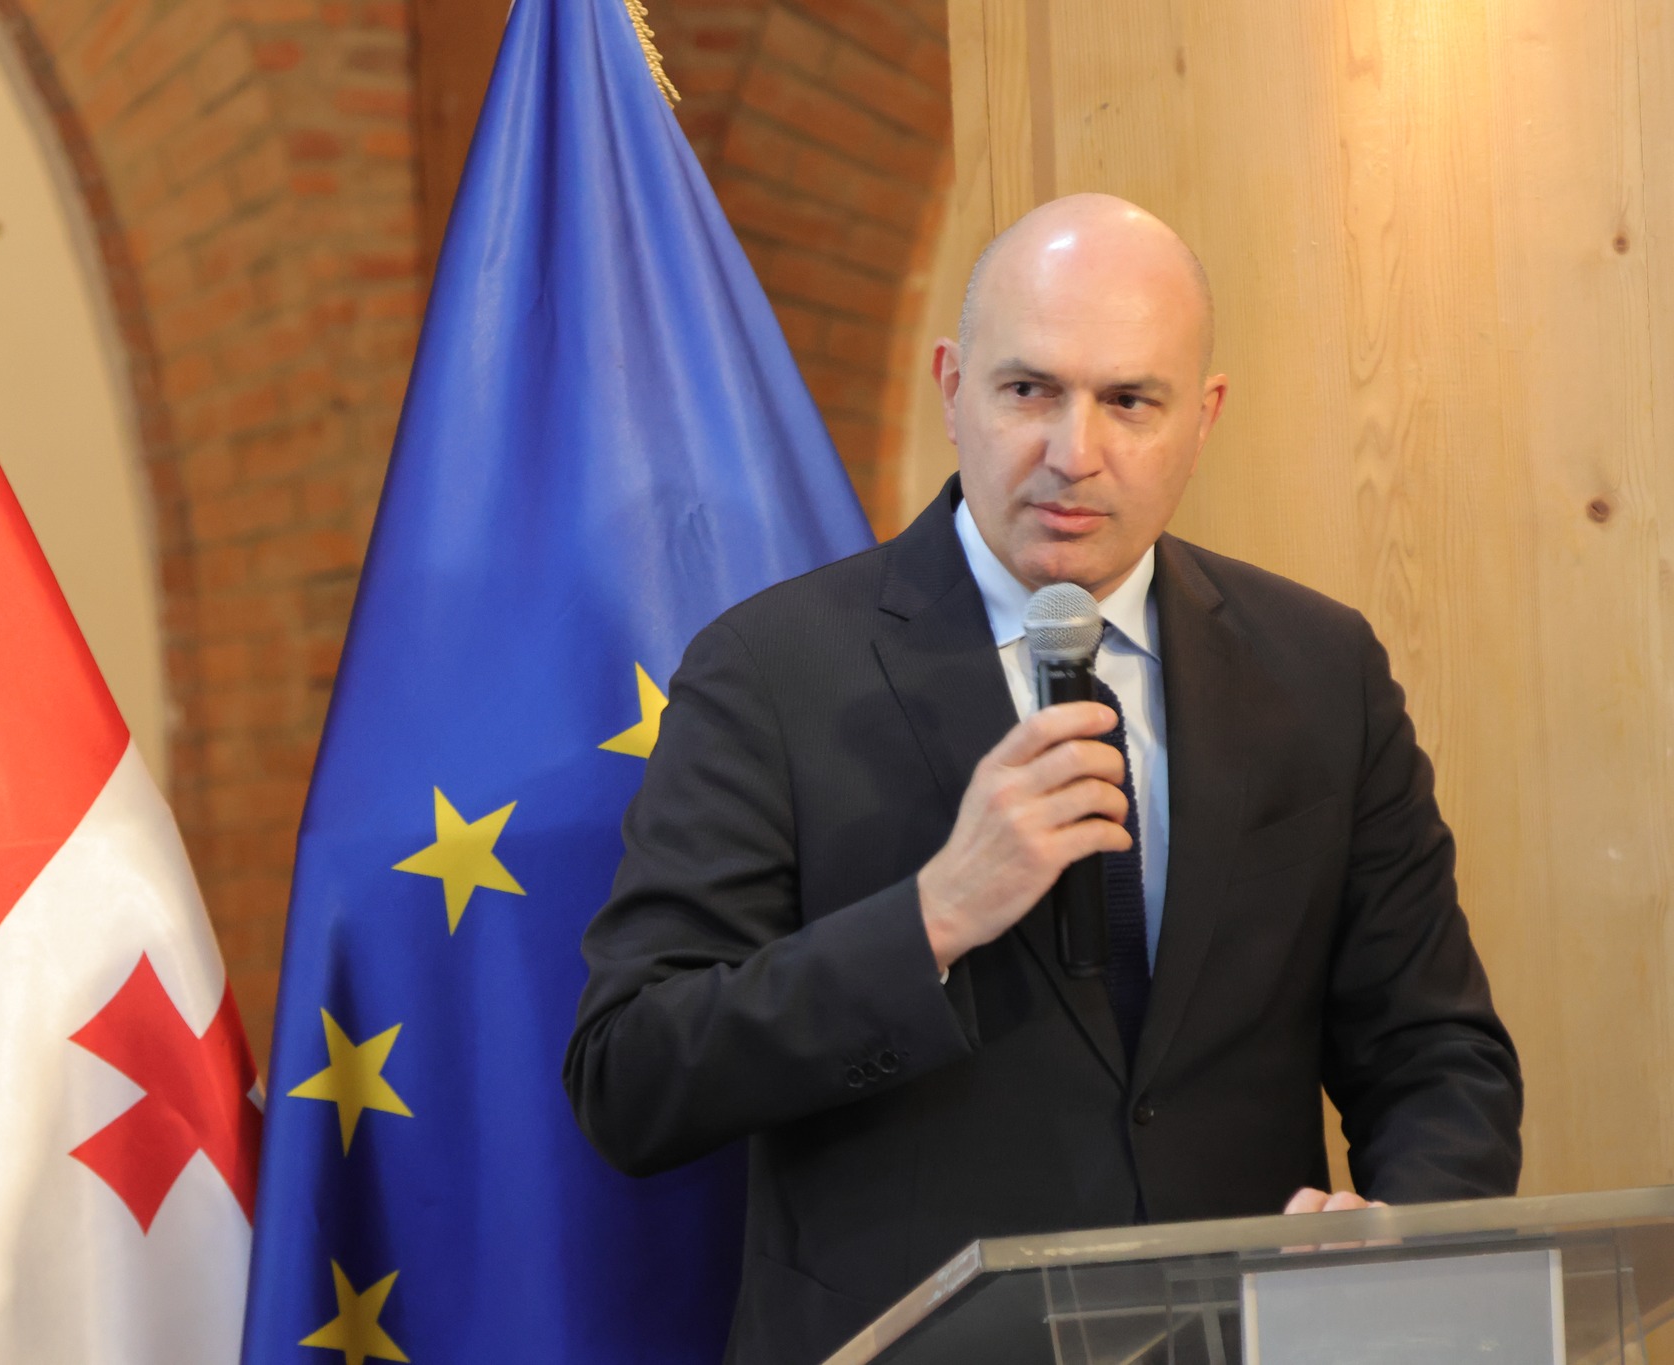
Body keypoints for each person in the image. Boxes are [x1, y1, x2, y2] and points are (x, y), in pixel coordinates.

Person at [563, 193, 1522, 1364]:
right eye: (1028, 390)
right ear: (950, 387)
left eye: (1129, 401)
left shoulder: (1319, 669)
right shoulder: (769, 670)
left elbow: (1434, 1055)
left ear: (1202, 417)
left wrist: (1399, 1239)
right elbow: (631, 1077)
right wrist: (931, 917)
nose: (1074, 453)